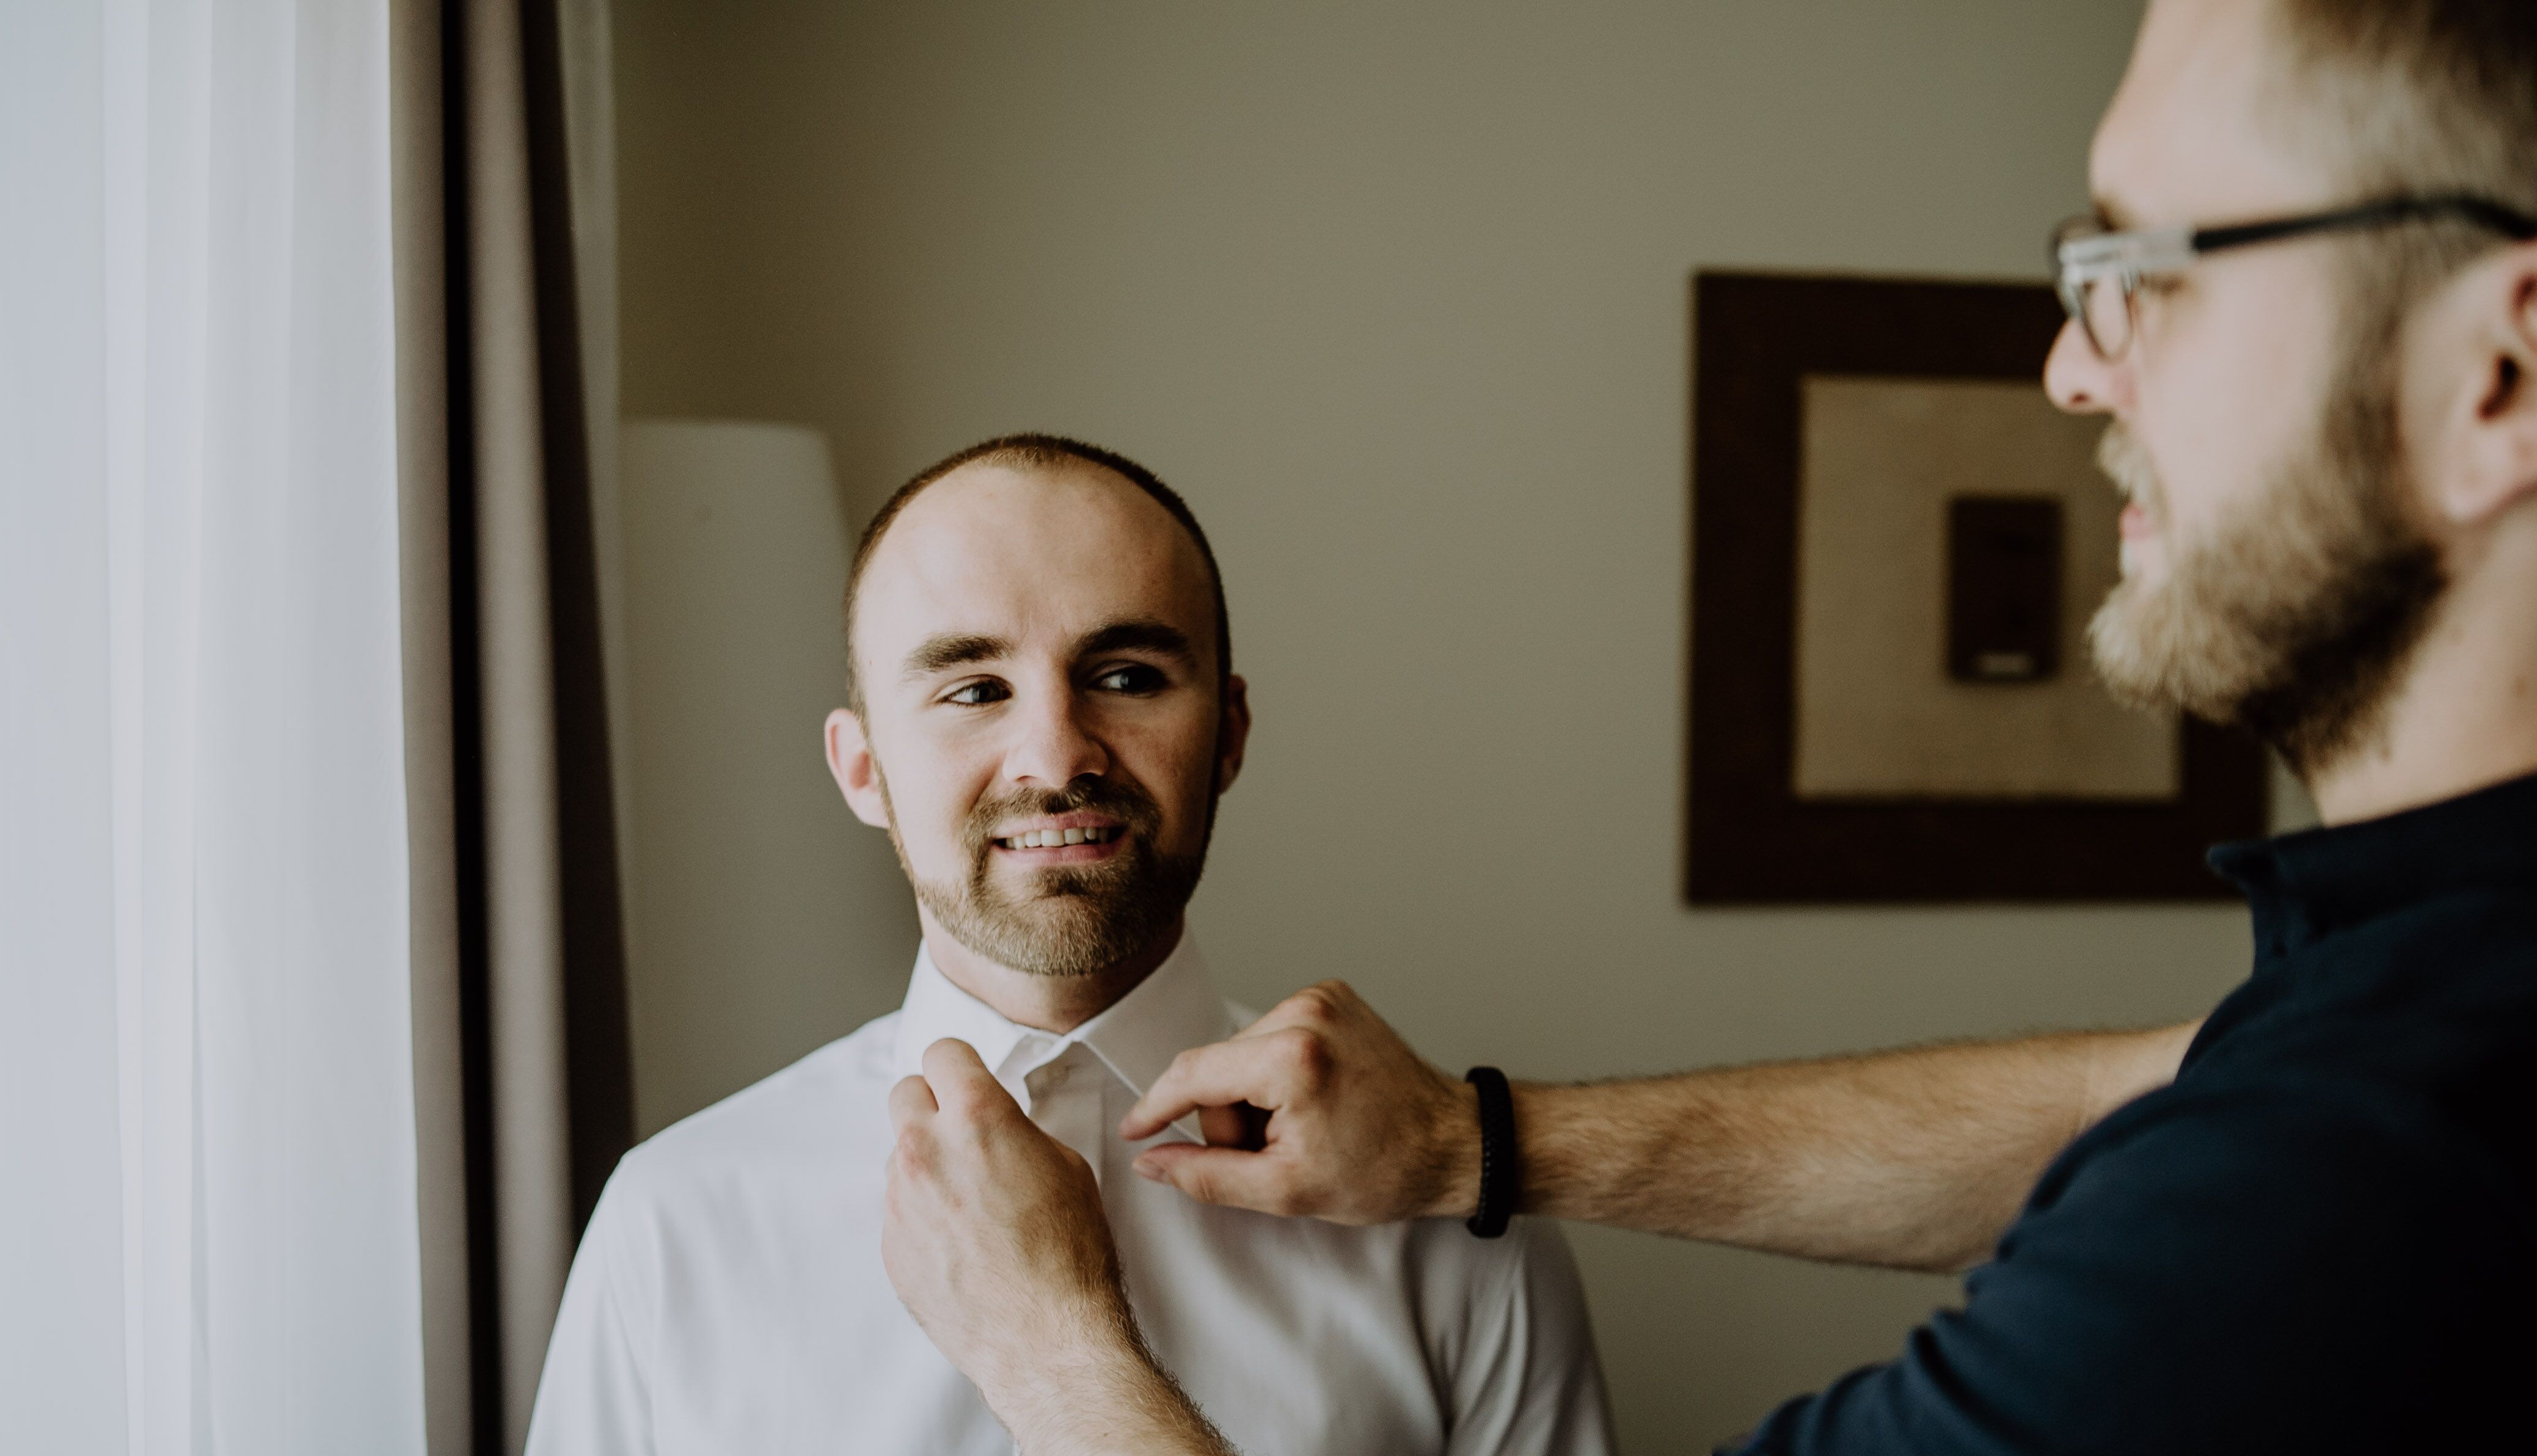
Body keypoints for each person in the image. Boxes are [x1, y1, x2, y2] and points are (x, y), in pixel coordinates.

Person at [877, 2, 2537, 1452]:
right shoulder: (2401, 1010)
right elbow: (2140, 1093)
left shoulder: (2356, 1168)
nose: (2074, 372)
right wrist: (1477, 1141)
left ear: (2504, 375)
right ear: (863, 761)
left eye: (2147, 272)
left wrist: (1053, 1360)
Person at [525, 434, 1616, 1456]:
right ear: (862, 770)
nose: (1055, 755)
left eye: (1128, 676)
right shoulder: (679, 1221)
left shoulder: (1449, 1228)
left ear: (1227, 734)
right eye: (974, 690)